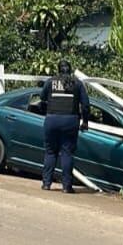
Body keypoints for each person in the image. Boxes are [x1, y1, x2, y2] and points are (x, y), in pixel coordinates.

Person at [39, 59, 90, 193]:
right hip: (70, 121)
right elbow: (85, 105)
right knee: (67, 153)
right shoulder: (78, 84)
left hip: (52, 120)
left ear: (58, 69)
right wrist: (85, 122)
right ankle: (67, 187)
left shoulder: (50, 82)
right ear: (70, 69)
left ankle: (46, 184)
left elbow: (42, 97)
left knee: (50, 152)